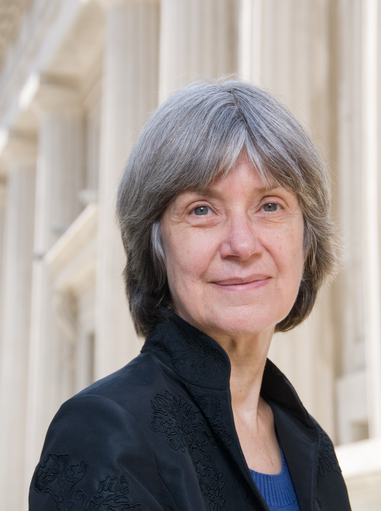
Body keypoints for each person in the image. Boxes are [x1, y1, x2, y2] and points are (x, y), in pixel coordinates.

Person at [29, 79, 351, 511]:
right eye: (202, 210)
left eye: (270, 205)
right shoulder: (104, 433)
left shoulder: (311, 447)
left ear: (307, 240)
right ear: (156, 246)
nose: (242, 244)